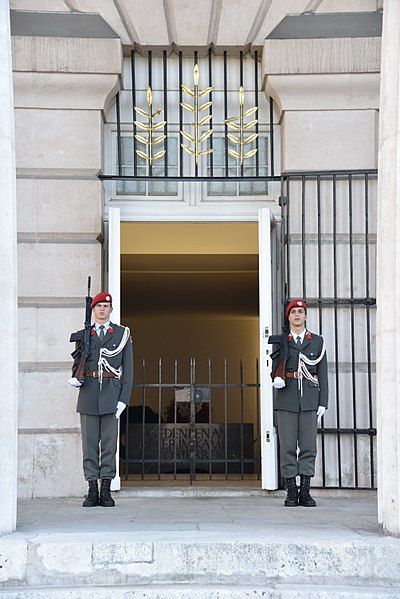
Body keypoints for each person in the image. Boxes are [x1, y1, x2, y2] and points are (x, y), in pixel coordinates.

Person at [69, 291, 133, 507]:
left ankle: (106, 487)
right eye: (98, 306)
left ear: (111, 310)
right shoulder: (84, 334)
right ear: (93, 310)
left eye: (106, 306)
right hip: (88, 393)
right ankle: (92, 488)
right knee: (89, 446)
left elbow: (129, 371)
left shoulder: (122, 334)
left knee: (109, 445)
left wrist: (123, 399)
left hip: (110, 394)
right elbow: (78, 360)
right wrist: (75, 378)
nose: (102, 309)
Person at [271, 299, 328, 507]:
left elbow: (322, 372)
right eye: (293, 312)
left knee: (308, 447)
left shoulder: (317, 342)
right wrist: (275, 378)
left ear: (305, 316)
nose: (297, 315)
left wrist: (323, 402)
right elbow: (275, 366)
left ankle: (305, 490)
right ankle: (291, 491)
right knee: (287, 446)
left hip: (310, 399)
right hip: (286, 399)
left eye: (300, 312)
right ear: (289, 317)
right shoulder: (281, 341)